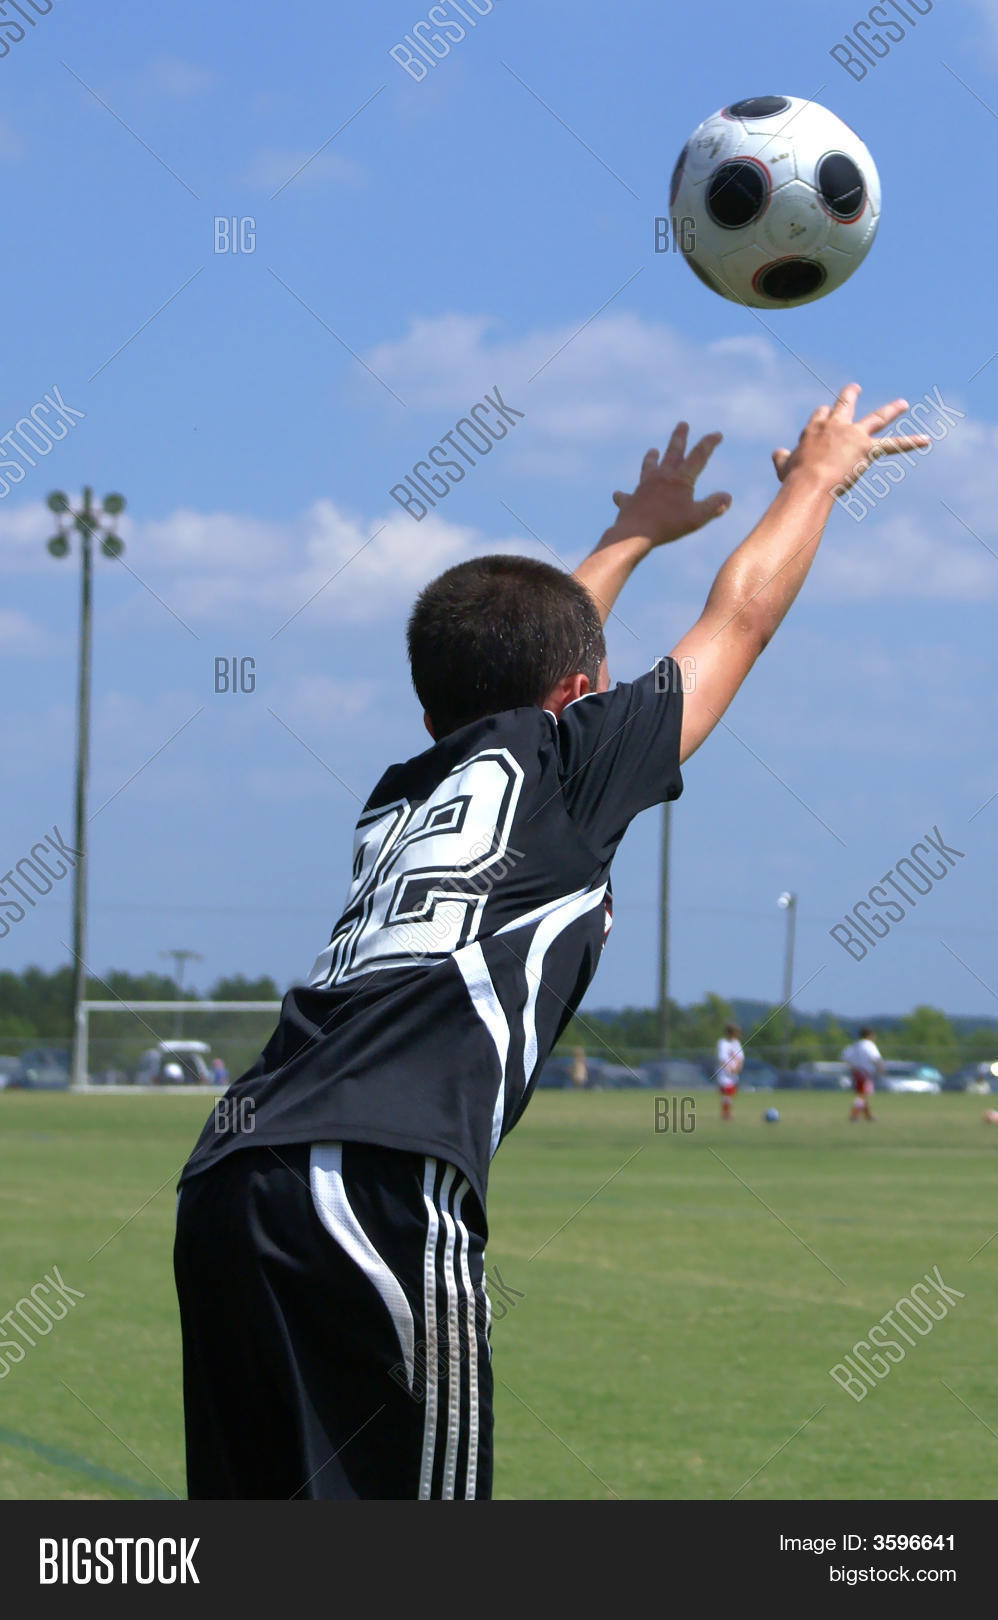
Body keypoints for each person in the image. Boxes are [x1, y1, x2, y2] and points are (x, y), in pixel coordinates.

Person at [174, 383, 927, 1499]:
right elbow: (738, 623)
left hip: (225, 1182)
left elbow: (518, 656)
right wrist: (816, 478)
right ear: (576, 696)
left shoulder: (406, 791)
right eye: (593, 683)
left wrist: (627, 534)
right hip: (373, 1178)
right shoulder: (569, 768)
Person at [842, 1025, 883, 1121]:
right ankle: (854, 1115)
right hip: (865, 1073)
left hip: (856, 1072)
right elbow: (876, 1058)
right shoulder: (869, 1045)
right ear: (869, 1035)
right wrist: (880, 1068)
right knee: (862, 1095)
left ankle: (868, 1116)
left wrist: (852, 1067)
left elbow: (845, 1057)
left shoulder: (855, 1045)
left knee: (863, 1094)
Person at [715, 1022, 744, 1120]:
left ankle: (727, 1112)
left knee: (731, 1094)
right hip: (725, 1074)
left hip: (734, 1074)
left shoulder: (736, 1043)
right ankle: (726, 1114)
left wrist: (737, 1069)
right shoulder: (722, 1043)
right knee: (726, 1094)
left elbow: (740, 1058)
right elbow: (722, 1059)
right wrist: (729, 1069)